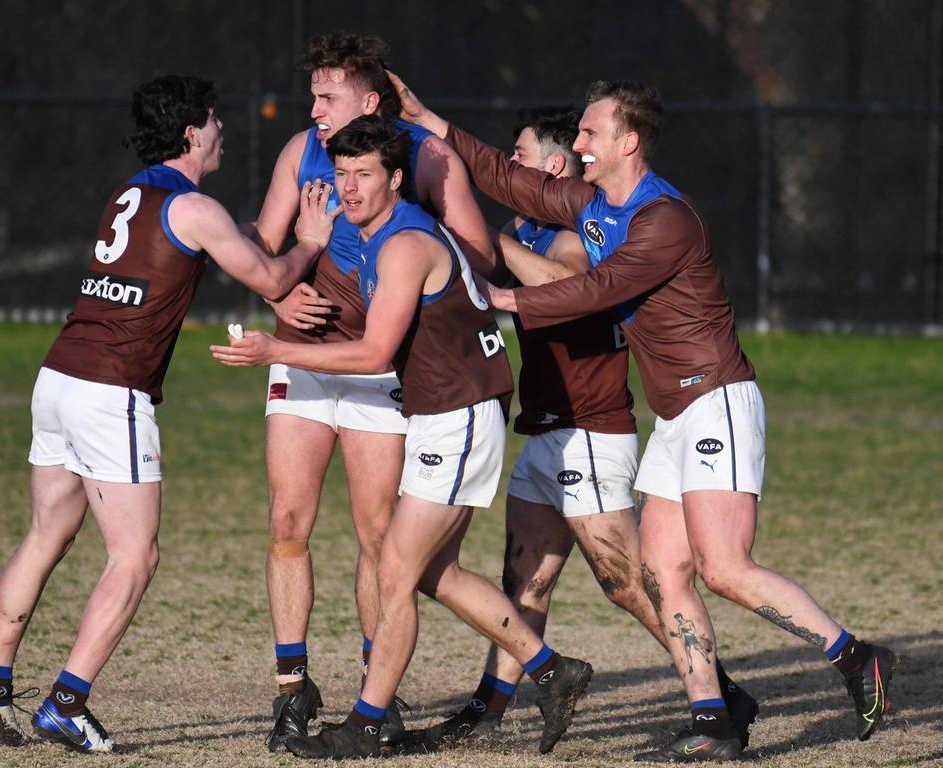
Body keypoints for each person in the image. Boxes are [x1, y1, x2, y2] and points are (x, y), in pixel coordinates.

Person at [389, 72, 896, 762]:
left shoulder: (665, 219)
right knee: (663, 575)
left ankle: (855, 656)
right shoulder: (596, 205)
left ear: (629, 140)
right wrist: (430, 119)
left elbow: (600, 287)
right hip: (675, 414)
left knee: (723, 568)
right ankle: (714, 719)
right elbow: (510, 182)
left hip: (717, 397)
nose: (580, 145)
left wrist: (508, 301)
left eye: (592, 133)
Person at [0, 74, 338, 754]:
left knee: (48, 532)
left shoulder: (133, 191)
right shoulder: (193, 206)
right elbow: (275, 279)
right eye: (215, 120)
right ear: (191, 131)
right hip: (112, 393)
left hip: (60, 375)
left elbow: (210, 247)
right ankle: (67, 703)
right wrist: (309, 240)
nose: (223, 129)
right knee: (135, 556)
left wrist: (267, 242)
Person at [212, 115, 593, 760]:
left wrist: (278, 348)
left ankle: (367, 721)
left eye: (364, 175)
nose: (349, 187)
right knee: (428, 571)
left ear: (395, 179)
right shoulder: (376, 235)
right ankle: (554, 672)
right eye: (341, 174)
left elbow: (374, 353)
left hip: (461, 413)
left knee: (394, 567)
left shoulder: (403, 245)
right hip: (450, 411)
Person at [411, 108, 758, 752]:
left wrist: (492, 245)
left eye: (521, 155)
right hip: (544, 429)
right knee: (524, 579)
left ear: (553, 166)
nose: (509, 166)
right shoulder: (527, 224)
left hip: (591, 431)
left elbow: (571, 283)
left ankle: (720, 695)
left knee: (627, 583)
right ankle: (489, 707)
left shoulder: (581, 230)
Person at [243, 32, 495, 751]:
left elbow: (471, 251)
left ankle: (372, 695)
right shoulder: (300, 152)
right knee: (288, 519)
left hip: (381, 370)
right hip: (305, 359)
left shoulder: (418, 157)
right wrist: (277, 299)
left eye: (327, 95)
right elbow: (263, 246)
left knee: (378, 534)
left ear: (370, 99)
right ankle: (292, 688)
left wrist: (422, 300)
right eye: (312, 94)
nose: (314, 107)